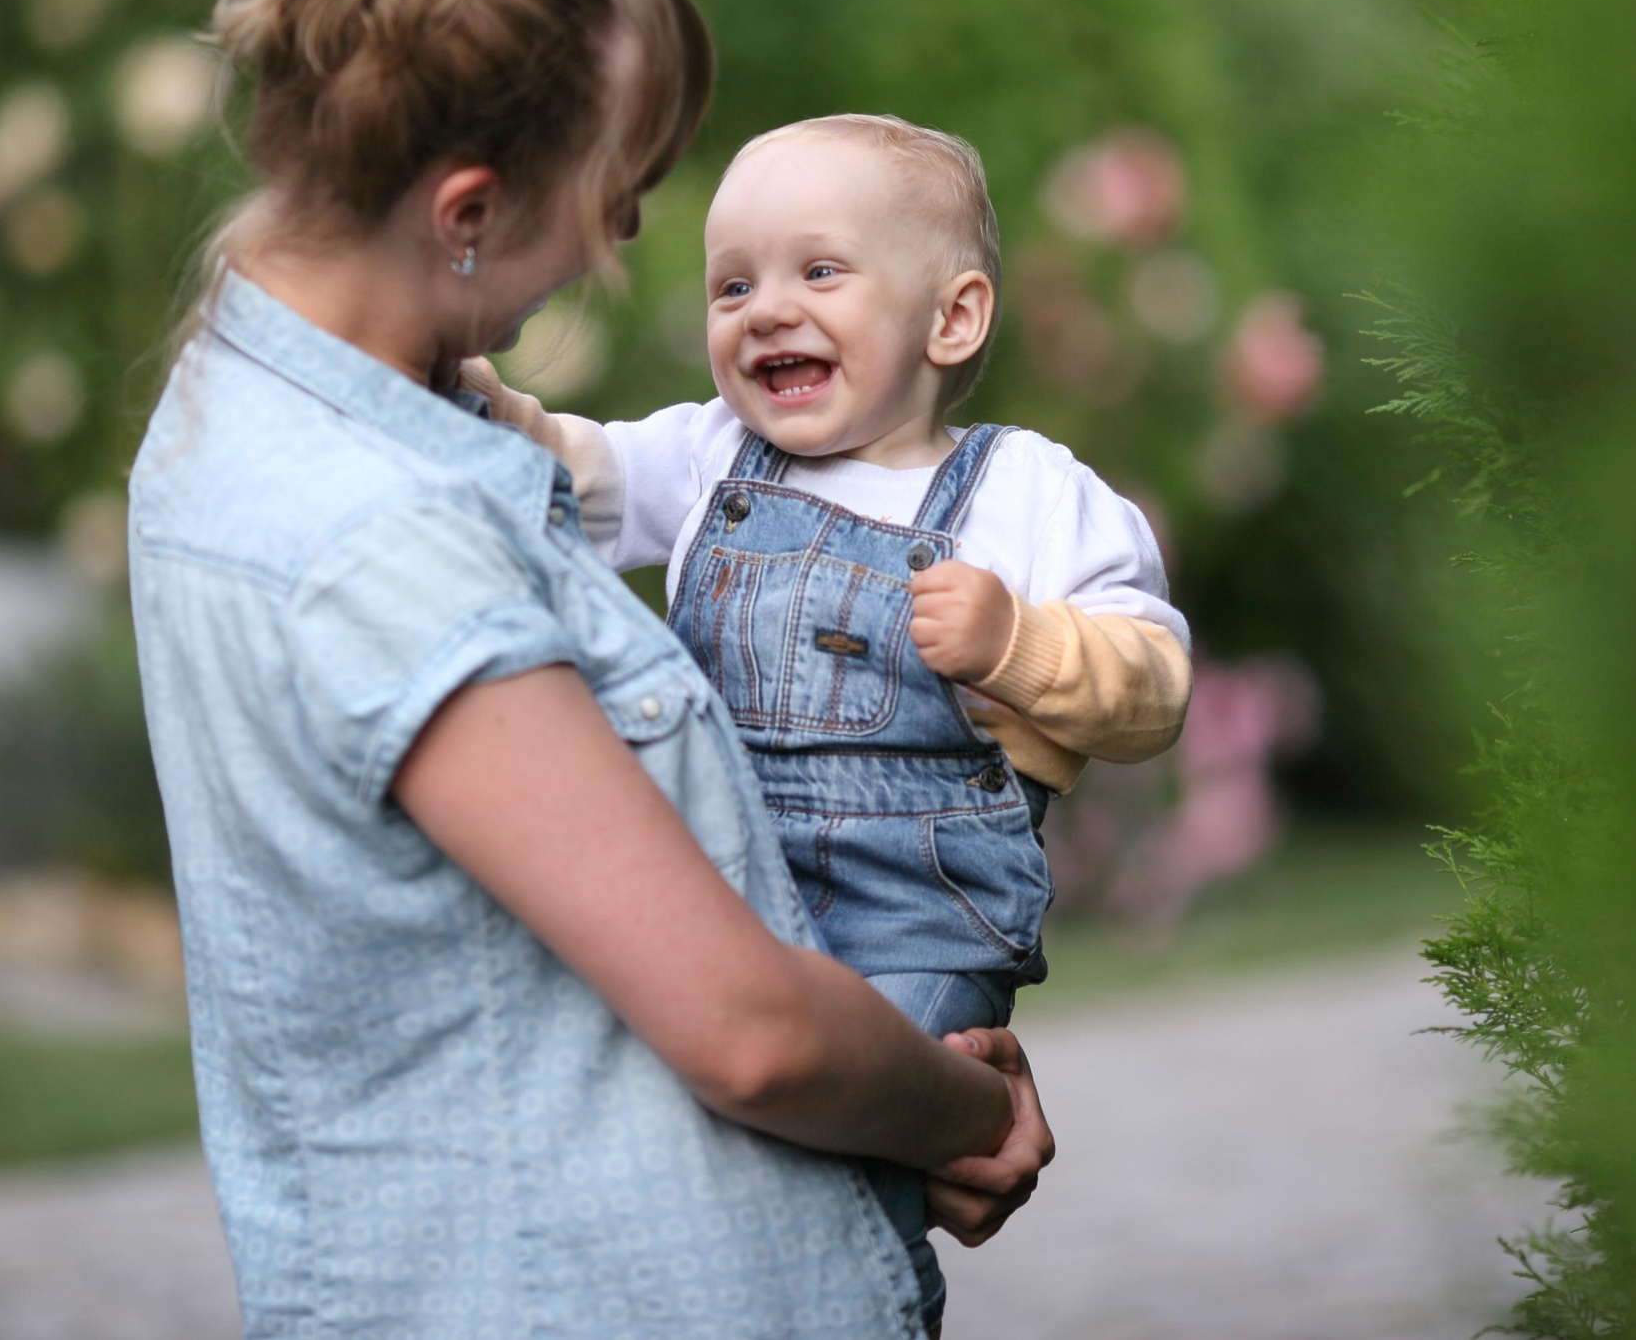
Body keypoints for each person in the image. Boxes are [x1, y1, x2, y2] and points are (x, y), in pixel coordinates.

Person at [128, 0, 1051, 1340]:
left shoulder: (264, 410)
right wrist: (956, 1110)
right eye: (617, 205)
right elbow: (746, 1026)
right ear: (469, 209)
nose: (618, 248)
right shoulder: (378, 533)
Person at [471, 112, 1190, 1326]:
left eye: (818, 271)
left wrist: (1020, 645)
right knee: (692, 1153)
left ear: (950, 318)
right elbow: (574, 478)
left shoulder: (1024, 493)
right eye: (731, 283)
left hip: (919, 920)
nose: (763, 310)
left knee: (839, 1183)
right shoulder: (714, 457)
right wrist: (486, 409)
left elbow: (1153, 683)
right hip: (729, 891)